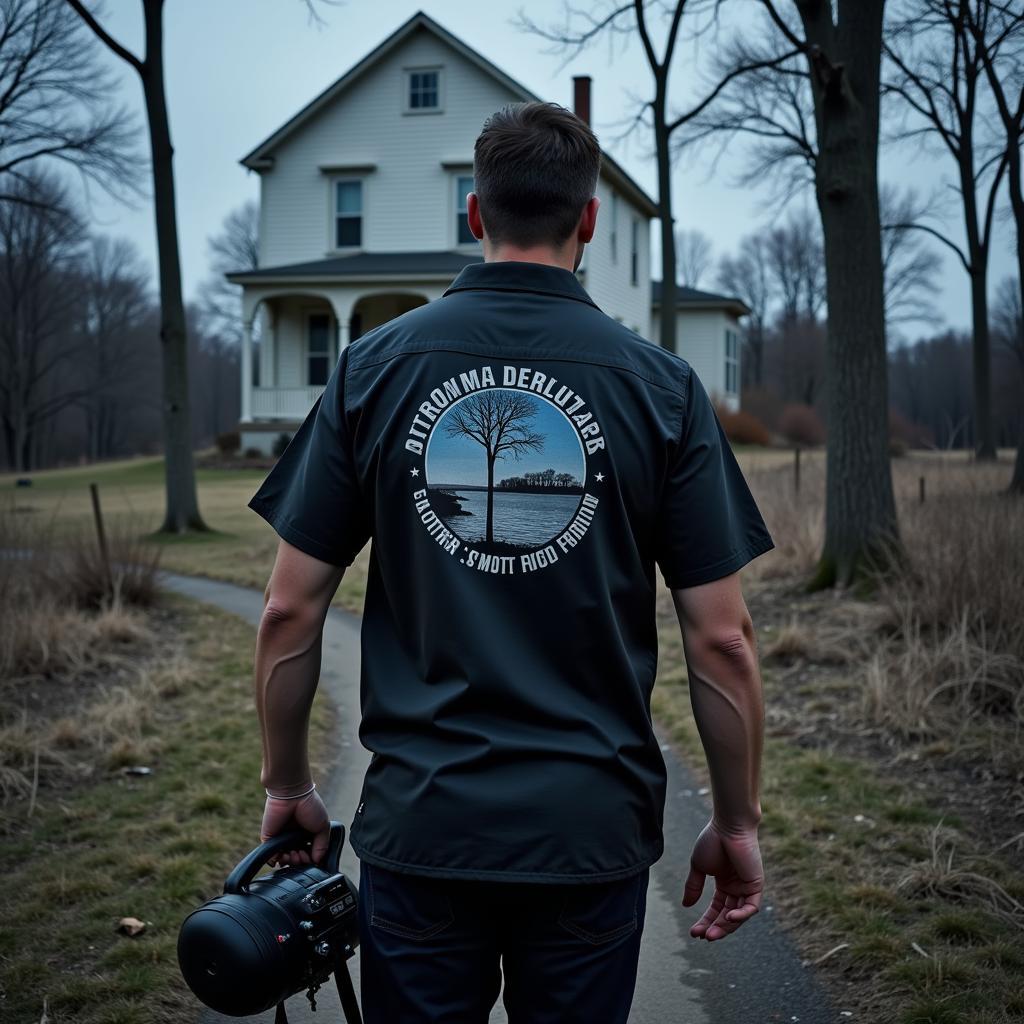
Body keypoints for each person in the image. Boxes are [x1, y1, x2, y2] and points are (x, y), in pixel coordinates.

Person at [250, 101, 773, 1024]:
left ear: (476, 215)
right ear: (590, 221)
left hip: (423, 831)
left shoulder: (374, 370)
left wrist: (289, 788)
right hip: (587, 835)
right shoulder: (661, 388)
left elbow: (290, 614)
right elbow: (722, 638)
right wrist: (735, 825)